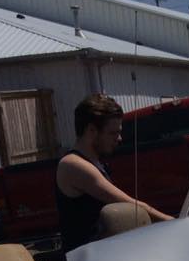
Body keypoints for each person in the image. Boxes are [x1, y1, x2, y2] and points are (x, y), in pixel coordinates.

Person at [55, 93, 173, 252]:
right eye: (113, 133)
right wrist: (173, 223)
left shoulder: (97, 164)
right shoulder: (73, 165)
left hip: (105, 259)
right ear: (91, 130)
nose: (119, 138)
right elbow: (129, 205)